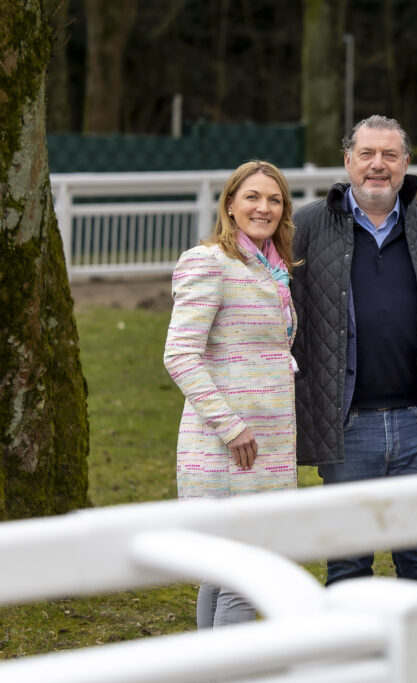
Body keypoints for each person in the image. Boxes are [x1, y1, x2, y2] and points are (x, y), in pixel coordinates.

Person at [291, 115, 417, 589]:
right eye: (368, 154)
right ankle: (352, 664)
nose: (378, 165)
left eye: (390, 155)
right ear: (348, 161)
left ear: (406, 164)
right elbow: (284, 323)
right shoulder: (308, 228)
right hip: (346, 427)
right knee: (349, 566)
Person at [164, 160, 299, 628]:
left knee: (226, 575)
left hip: (264, 446)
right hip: (230, 449)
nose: (264, 207)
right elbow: (180, 354)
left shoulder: (270, 269)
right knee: (244, 576)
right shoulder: (209, 261)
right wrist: (231, 426)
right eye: (253, 197)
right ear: (229, 205)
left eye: (275, 199)